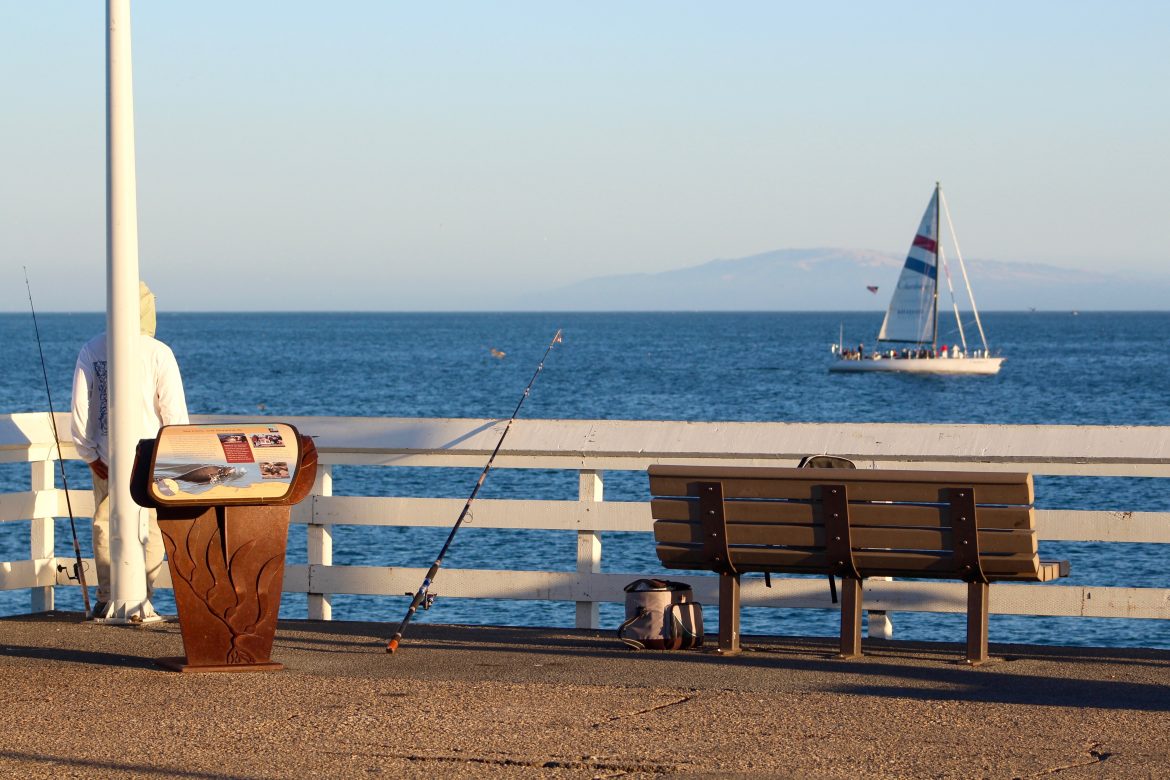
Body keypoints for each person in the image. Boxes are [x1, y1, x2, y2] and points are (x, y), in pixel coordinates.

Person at [71, 281, 189, 619]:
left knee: (105, 524)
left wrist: (90, 454)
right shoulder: (158, 352)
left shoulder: (92, 349)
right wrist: (173, 458)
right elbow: (174, 415)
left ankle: (107, 596)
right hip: (153, 457)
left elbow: (80, 409)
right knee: (151, 527)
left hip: (105, 458)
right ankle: (142, 598)